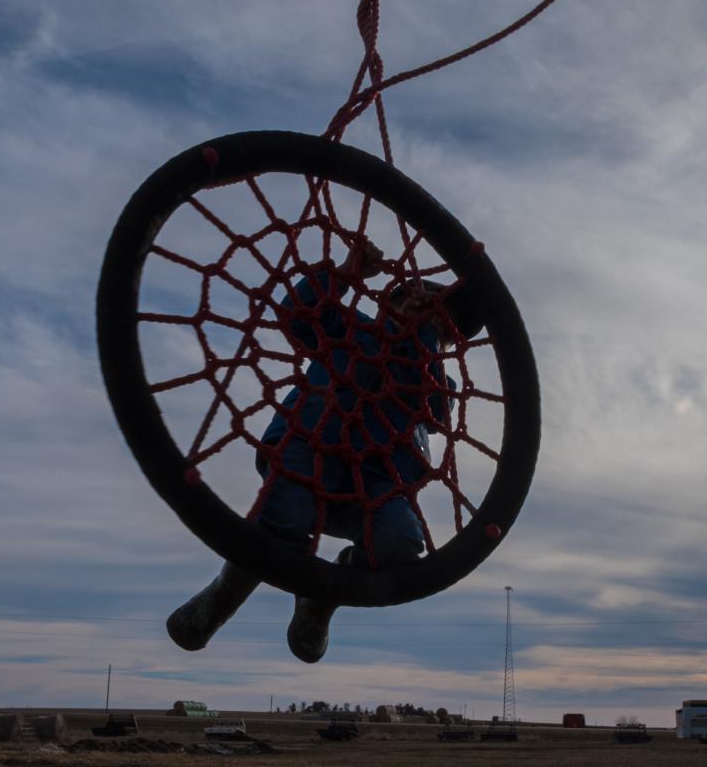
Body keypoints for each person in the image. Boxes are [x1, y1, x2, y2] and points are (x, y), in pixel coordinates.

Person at [167, 241, 481, 662]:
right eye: (415, 302)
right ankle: (222, 598)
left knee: (400, 543)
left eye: (439, 322)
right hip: (310, 446)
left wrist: (423, 340)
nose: (423, 315)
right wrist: (346, 273)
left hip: (376, 483)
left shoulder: (431, 377)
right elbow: (299, 313)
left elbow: (438, 413)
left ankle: (320, 597)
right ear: (390, 303)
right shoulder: (353, 330)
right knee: (286, 516)